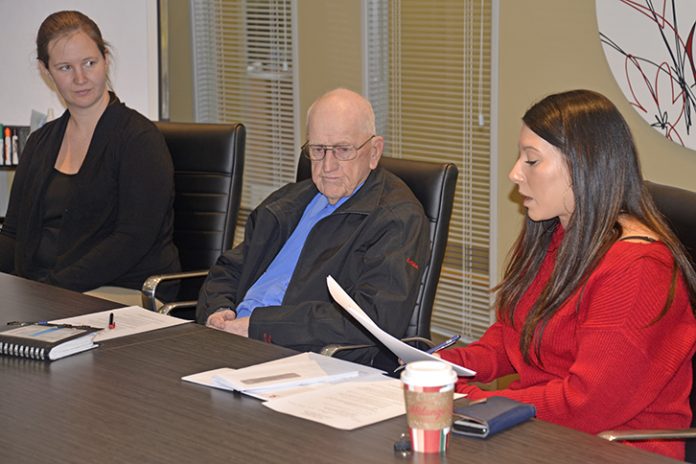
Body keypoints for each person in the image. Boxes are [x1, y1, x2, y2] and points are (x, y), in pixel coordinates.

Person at [438, 89, 696, 460]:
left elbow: (587, 404)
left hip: (619, 449)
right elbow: (511, 339)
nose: (515, 173)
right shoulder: (556, 234)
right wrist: (442, 367)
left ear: (582, 165)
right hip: (546, 436)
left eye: (531, 160)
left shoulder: (638, 270)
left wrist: (475, 401)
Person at [197, 88, 429, 368]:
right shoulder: (288, 202)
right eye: (318, 150)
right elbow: (229, 269)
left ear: (374, 152)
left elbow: (372, 318)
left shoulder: (396, 218)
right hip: (230, 341)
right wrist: (219, 309)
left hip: (298, 358)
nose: (327, 166)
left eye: (343, 150)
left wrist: (257, 326)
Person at [0, 11, 180, 304]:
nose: (80, 78)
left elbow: (132, 240)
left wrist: (50, 289)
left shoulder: (138, 139)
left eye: (89, 63)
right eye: (65, 67)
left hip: (121, 289)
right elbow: (13, 233)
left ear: (105, 58)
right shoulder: (40, 142)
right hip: (48, 290)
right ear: (46, 71)